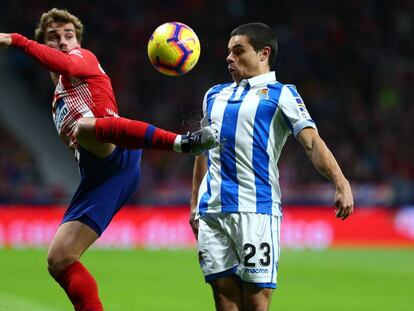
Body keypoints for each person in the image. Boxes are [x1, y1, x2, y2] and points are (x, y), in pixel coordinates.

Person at [0, 8, 217, 311]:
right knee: (59, 258)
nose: (63, 42)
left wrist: (15, 40)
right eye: (53, 37)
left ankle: (184, 142)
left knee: (84, 127)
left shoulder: (83, 59)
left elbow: (64, 63)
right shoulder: (57, 98)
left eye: (69, 35)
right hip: (98, 175)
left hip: (117, 151)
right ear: (44, 45)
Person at [189, 22, 354, 311]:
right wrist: (194, 206)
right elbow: (202, 150)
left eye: (238, 51)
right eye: (228, 52)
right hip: (212, 211)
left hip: (257, 210)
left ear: (263, 53)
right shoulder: (213, 95)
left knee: (255, 302)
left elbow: (312, 143)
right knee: (223, 301)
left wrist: (341, 182)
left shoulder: (282, 94)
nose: (229, 58)